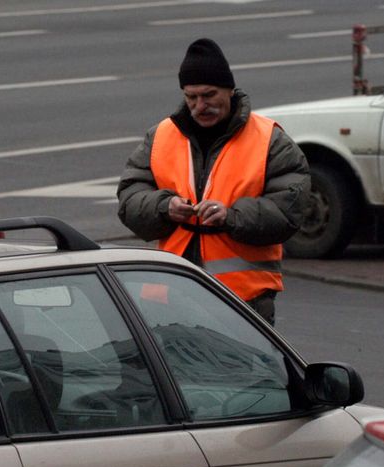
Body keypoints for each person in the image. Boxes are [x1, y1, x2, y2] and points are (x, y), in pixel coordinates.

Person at [117, 38, 310, 325]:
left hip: (243, 299)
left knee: (243, 371)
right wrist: (163, 207)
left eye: (209, 95)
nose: (199, 105)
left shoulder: (270, 140)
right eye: (191, 97)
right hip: (171, 295)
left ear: (230, 90)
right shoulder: (161, 136)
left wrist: (230, 216)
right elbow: (129, 197)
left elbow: (289, 210)